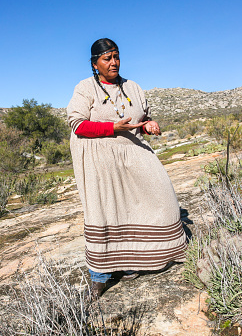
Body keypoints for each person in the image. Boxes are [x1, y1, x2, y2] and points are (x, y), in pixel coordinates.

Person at [67, 38, 187, 298]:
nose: (113, 62)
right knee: (104, 211)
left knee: (160, 193)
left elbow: (140, 119)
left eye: (116, 56)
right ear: (95, 63)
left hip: (131, 150)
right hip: (98, 156)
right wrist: (112, 128)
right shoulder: (85, 88)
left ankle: (136, 259)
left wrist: (148, 126)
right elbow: (77, 124)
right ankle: (100, 276)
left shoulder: (132, 86)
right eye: (106, 58)